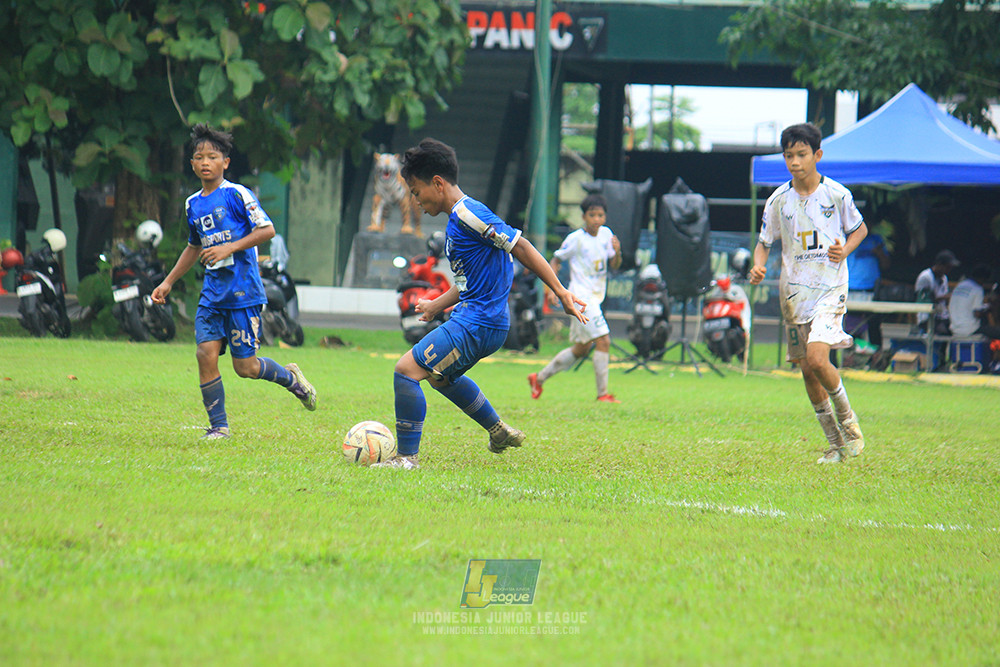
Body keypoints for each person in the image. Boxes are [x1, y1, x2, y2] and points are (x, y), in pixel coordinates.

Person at [373, 138, 588, 470]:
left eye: (416, 192)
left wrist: (561, 292)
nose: (415, 200)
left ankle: (406, 459)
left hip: (480, 320)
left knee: (406, 372)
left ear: (438, 183)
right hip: (484, 320)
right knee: (441, 377)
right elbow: (467, 283)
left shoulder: (468, 213)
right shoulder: (456, 222)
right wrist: (435, 306)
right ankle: (498, 431)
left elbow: (521, 246)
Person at [152, 124, 317, 440]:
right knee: (205, 354)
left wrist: (229, 246)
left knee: (247, 368)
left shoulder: (237, 194)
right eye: (199, 157)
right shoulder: (192, 204)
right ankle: (219, 427)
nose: (205, 162)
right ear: (192, 164)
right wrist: (168, 281)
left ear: (225, 162)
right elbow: (194, 246)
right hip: (212, 295)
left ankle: (291, 379)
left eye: (212, 157)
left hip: (243, 293)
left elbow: (266, 230)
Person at [748, 123, 868, 465]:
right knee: (806, 369)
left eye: (801, 155)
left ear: (817, 155)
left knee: (818, 359)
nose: (794, 162)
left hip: (830, 288)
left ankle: (849, 424)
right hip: (794, 295)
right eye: (789, 155)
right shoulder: (778, 201)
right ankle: (834, 445)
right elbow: (763, 244)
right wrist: (759, 267)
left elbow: (859, 229)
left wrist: (844, 250)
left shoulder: (836, 194)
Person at [528, 193, 622, 403]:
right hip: (581, 298)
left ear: (604, 217)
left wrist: (617, 252)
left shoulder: (607, 235)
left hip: (596, 297)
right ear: (584, 217)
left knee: (581, 349)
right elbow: (556, 260)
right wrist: (552, 289)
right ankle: (602, 394)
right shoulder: (575, 239)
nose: (596, 219)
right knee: (604, 341)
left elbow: (614, 265)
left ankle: (538, 378)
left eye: (600, 215)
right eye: (592, 215)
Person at [845, 231, 890, 348]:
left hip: (871, 288)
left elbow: (886, 264)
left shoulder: (876, 239)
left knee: (873, 323)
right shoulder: (846, 237)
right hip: (852, 287)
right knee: (851, 325)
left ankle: (876, 354)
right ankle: (851, 354)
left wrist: (879, 252)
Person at [914, 249, 960, 336]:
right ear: (939, 265)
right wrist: (945, 297)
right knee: (944, 331)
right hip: (926, 317)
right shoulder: (926, 277)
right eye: (947, 267)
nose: (948, 270)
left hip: (941, 315)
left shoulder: (944, 278)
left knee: (956, 327)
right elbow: (923, 300)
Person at [949, 264, 1000, 340]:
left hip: (954, 328)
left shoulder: (960, 285)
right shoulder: (977, 289)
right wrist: (988, 309)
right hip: (970, 329)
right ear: (983, 278)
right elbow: (977, 314)